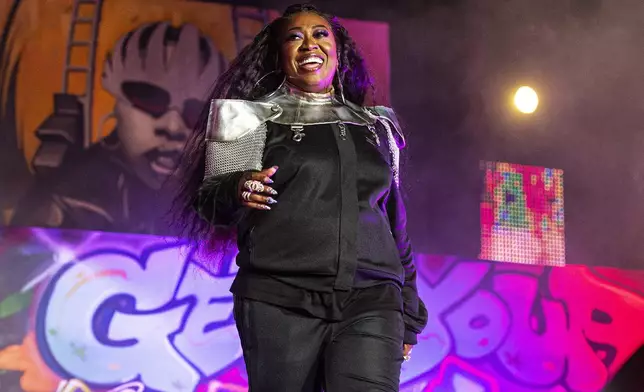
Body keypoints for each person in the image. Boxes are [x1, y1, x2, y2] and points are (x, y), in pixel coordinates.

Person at [173, 4, 428, 391]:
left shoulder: (376, 126)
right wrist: (237, 186)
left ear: (338, 49)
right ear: (279, 54)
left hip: (372, 299)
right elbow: (209, 203)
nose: (309, 43)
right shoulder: (251, 118)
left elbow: (395, 225)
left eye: (320, 34)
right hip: (279, 301)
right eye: (295, 36)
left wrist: (409, 311)